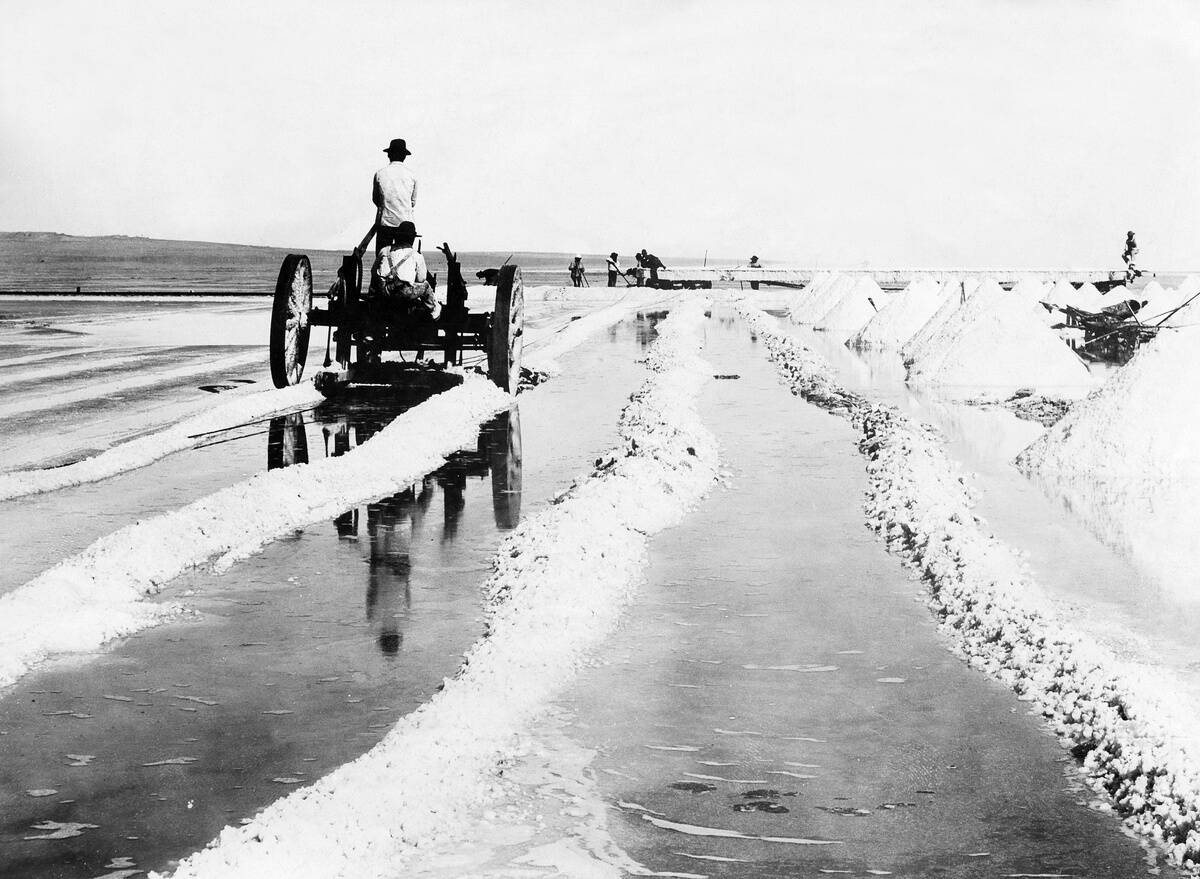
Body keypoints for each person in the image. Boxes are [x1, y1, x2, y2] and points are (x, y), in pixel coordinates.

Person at [369, 220, 438, 320]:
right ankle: (431, 311)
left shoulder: (385, 251)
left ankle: (372, 307)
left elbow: (373, 272)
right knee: (426, 285)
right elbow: (421, 280)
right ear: (412, 239)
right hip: (403, 294)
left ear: (397, 236)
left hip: (384, 292)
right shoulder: (416, 255)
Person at [372, 138, 417, 254]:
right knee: (405, 258)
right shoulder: (412, 176)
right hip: (406, 225)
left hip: (385, 223)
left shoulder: (380, 174)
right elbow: (412, 202)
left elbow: (376, 200)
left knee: (383, 259)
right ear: (404, 156)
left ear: (389, 155)